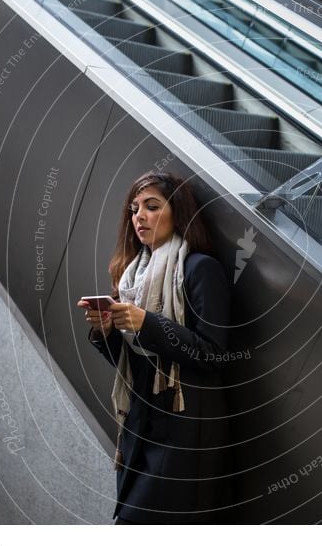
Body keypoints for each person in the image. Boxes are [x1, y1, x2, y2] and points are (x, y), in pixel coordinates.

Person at [77, 171, 232, 524]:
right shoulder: (132, 277)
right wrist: (107, 332)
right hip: (140, 426)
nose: (139, 217)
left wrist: (147, 322)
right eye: (134, 209)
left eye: (151, 206)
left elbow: (213, 353)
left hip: (184, 433)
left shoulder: (199, 269)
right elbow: (134, 364)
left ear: (177, 212)